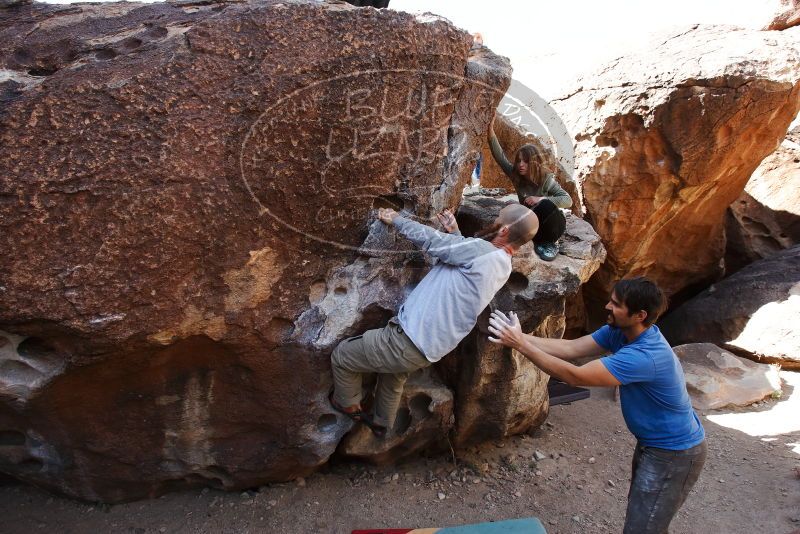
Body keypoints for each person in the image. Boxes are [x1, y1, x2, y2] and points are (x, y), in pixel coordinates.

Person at [487, 277, 706, 534]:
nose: (607, 307)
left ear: (639, 315)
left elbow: (575, 376)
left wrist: (520, 345)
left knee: (643, 528)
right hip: (656, 446)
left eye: (616, 304)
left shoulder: (645, 357)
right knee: (646, 523)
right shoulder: (620, 331)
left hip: (675, 454)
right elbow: (571, 348)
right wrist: (519, 335)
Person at [330, 203, 539, 438]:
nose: (493, 221)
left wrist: (396, 219)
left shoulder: (483, 251)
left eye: (498, 219)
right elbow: (466, 267)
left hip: (407, 340)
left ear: (504, 230)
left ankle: (348, 405)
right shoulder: (502, 264)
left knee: (343, 356)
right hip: (428, 349)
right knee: (393, 377)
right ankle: (381, 426)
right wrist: (456, 234)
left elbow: (433, 241)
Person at [487, 116, 572, 261]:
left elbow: (567, 200)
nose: (521, 164)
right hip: (532, 226)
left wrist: (541, 199)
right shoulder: (516, 176)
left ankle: (550, 243)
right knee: (513, 211)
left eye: (525, 161)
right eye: (519, 160)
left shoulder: (546, 179)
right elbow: (500, 156)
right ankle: (538, 241)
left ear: (534, 163)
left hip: (552, 226)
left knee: (544, 205)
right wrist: (490, 131)